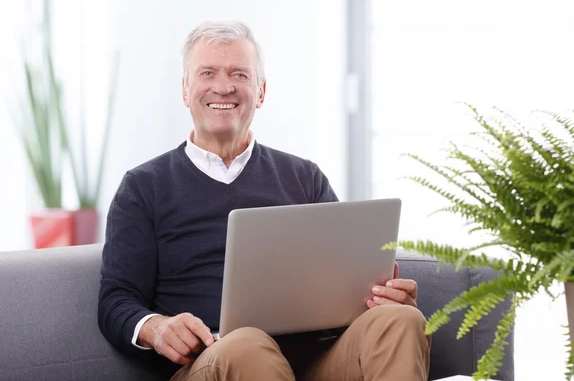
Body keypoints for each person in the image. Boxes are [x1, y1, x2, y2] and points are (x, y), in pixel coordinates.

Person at [98, 20, 431, 381]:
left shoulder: (305, 178)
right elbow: (116, 301)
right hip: (214, 361)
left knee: (401, 320)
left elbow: (345, 280)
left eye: (239, 74)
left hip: (316, 358)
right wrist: (156, 327)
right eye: (207, 72)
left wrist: (381, 297)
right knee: (247, 345)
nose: (223, 87)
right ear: (185, 89)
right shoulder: (143, 186)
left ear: (260, 91)